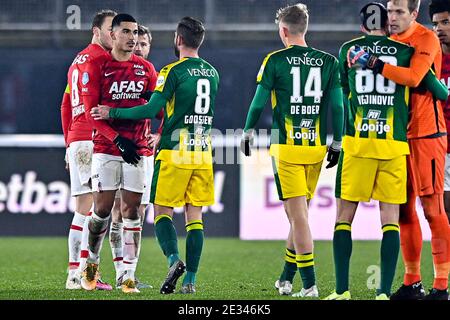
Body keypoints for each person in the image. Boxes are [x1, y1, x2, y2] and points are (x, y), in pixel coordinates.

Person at [326, 2, 447, 301]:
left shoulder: (423, 39)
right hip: (396, 140)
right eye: (389, 12)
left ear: (413, 15)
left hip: (419, 135)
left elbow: (415, 79)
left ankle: (442, 285)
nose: (393, 18)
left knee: (432, 210)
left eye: (399, 13)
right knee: (401, 212)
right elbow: (439, 89)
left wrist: (373, 63)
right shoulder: (397, 46)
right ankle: (409, 283)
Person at [91, 16, 219, 295]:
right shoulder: (212, 72)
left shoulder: (171, 71)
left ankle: (174, 261)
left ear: (178, 39)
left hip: (175, 151)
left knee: (161, 211)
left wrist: (112, 112)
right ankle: (191, 281)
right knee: (194, 216)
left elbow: (151, 110)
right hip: (202, 152)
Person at [240, 3, 344, 298]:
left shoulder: (274, 60)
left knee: (298, 218)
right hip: (315, 149)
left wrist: (247, 131)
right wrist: (337, 142)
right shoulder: (328, 62)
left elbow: (258, 103)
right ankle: (286, 278)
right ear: (305, 28)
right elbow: (338, 106)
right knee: (298, 215)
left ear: (284, 31)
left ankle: (309, 285)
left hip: (286, 149)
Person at [80, 13, 158, 294]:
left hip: (136, 150)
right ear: (112, 35)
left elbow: (159, 110)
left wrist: (157, 112)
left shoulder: (147, 69)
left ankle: (127, 276)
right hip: (106, 149)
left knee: (132, 212)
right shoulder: (96, 66)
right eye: (126, 32)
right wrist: (117, 138)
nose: (132, 38)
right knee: (101, 211)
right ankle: (90, 268)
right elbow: (91, 116)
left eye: (135, 32)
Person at [60, 9, 116, 291]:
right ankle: (82, 274)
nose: (114, 35)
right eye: (110, 30)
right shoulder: (103, 59)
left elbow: (65, 105)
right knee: (91, 210)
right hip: (92, 137)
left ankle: (75, 273)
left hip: (77, 137)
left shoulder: (77, 60)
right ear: (96, 31)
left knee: (84, 207)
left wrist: (68, 141)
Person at [108, 24, 162, 290]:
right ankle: (121, 270)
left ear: (149, 48)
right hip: (114, 149)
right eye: (135, 41)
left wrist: (161, 134)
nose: (138, 46)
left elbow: (166, 111)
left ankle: (128, 272)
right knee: (118, 210)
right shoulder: (113, 70)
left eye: (143, 44)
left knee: (138, 212)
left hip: (142, 151)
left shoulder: (152, 76)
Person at [430, 0, 450, 224]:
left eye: (445, 22)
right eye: (435, 24)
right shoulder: (429, 62)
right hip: (441, 148)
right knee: (443, 211)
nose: (439, 29)